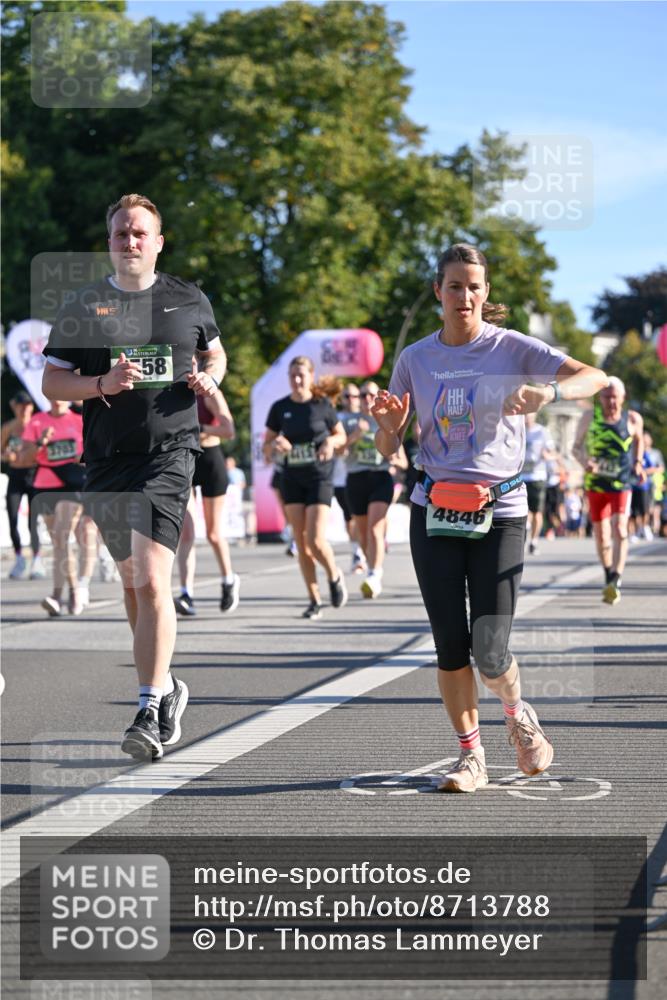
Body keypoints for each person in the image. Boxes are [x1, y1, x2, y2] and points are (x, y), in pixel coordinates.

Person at [372, 243, 607, 793]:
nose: (465, 296)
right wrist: (387, 427)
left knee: (491, 647)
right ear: (439, 291)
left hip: (500, 509)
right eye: (455, 286)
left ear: (486, 293)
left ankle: (517, 712)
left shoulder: (511, 348)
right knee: (450, 643)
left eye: (474, 286)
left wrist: (546, 391)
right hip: (434, 507)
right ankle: (470, 756)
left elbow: (594, 376)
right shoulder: (415, 358)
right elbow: (392, 449)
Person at [41, 193, 226, 761]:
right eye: (121, 233)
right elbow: (53, 383)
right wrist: (102, 385)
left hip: (170, 453)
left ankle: (147, 705)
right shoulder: (84, 305)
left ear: (158, 241)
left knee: (149, 578)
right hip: (105, 459)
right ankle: (167, 686)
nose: (130, 241)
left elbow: (216, 355)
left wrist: (207, 380)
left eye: (140, 233)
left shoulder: (187, 298)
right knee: (131, 583)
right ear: (110, 242)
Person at [263, 356, 348, 620]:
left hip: (319, 477)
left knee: (315, 539)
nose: (297, 380)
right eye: (293, 376)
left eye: (301, 375)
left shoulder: (322, 405)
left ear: (311, 377)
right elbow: (265, 448)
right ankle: (315, 600)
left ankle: (334, 575)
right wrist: (277, 444)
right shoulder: (280, 408)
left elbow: (341, 435)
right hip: (292, 478)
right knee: (300, 542)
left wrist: (330, 443)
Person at [573, 376, 643, 605]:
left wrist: (638, 462)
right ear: (599, 397)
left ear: (623, 398)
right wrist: (585, 463)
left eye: (615, 397)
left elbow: (639, 440)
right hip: (596, 484)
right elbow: (575, 448)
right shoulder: (589, 417)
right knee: (602, 533)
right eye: (606, 397)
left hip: (622, 483)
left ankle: (616, 577)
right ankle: (608, 573)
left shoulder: (632, 419)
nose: (611, 401)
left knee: (620, 528)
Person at [15, 400, 86, 615]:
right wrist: (40, 442)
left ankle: (57, 594)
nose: (58, 399)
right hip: (44, 485)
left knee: (62, 537)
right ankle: (73, 591)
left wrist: (80, 457)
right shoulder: (37, 421)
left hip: (72, 485)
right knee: (58, 544)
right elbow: (23, 458)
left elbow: (94, 452)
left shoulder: (79, 420)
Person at [174, 386, 240, 616]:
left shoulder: (209, 393)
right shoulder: (172, 392)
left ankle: (228, 580)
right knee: (187, 533)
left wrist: (199, 429)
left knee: (213, 533)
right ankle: (186, 593)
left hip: (211, 462)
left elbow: (228, 430)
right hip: (185, 461)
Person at [341, 380, 407, 598]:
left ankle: (374, 574)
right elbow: (338, 452)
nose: (366, 399)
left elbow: (403, 460)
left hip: (380, 478)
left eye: (371, 394)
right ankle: (371, 567)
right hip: (356, 478)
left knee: (374, 528)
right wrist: (354, 437)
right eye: (362, 395)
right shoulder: (348, 421)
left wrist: (395, 460)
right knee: (361, 531)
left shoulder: (385, 420)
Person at [1, 391, 45, 580]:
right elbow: (1, 451)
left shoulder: (37, 425)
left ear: (31, 407)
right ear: (15, 407)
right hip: (16, 476)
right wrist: (6, 457)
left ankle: (36, 559)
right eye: (20, 405)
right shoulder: (9, 427)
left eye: (27, 405)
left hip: (34, 474)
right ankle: (19, 557)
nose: (24, 409)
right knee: (12, 517)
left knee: (32, 522)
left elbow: (45, 451)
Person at [334, 382, 366, 573]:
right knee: (350, 519)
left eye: (355, 396)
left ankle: (363, 553)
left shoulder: (368, 417)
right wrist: (354, 436)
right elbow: (338, 451)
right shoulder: (338, 419)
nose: (351, 400)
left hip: (364, 475)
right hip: (341, 478)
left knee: (361, 518)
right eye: (347, 396)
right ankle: (357, 551)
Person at [521, 413, 555, 554]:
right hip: (520, 476)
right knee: (523, 509)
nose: (527, 417)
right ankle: (526, 528)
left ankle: (534, 541)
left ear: (534, 415)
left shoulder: (542, 431)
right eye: (524, 415)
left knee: (537, 512)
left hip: (537, 476)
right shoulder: (518, 429)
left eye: (529, 414)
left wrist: (547, 456)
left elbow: (553, 452)